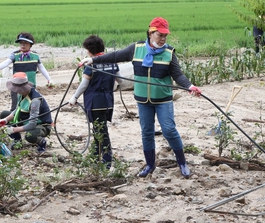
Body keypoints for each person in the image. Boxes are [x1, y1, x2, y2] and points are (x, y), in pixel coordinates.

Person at [79, 17, 202, 178]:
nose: (163, 39)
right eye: (159, 35)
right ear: (150, 33)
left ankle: (182, 163)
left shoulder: (169, 53)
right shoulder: (136, 49)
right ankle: (150, 165)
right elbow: (115, 56)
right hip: (143, 100)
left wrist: (190, 86)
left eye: (165, 36)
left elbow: (177, 74)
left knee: (169, 130)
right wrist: (93, 60)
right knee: (147, 131)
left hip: (163, 99)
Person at [68, 35, 122, 169]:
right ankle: (94, 155)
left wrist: (74, 97)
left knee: (101, 130)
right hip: (108, 101)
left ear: (90, 50)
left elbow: (84, 85)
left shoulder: (91, 65)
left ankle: (107, 160)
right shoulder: (112, 62)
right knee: (99, 128)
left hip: (94, 102)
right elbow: (120, 81)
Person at [0, 32, 54, 111]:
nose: (22, 45)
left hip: (30, 86)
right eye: (21, 43)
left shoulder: (35, 56)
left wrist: (49, 79)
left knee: (30, 106)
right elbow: (6, 63)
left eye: (25, 43)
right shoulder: (15, 55)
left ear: (30, 44)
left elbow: (42, 68)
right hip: (16, 87)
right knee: (15, 108)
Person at [0, 72, 52, 154]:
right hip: (26, 118)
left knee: (30, 136)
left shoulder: (35, 100)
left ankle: (41, 143)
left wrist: (13, 130)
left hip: (40, 124)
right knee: (4, 114)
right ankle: (17, 141)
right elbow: (17, 109)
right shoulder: (22, 94)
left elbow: (32, 124)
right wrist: (6, 119)